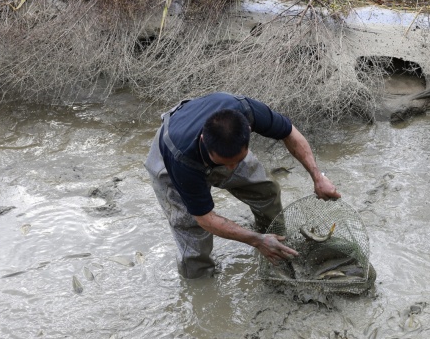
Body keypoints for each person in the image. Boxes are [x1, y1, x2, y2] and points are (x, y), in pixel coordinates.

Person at [145, 92, 340, 278]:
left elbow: (289, 133)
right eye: (224, 164)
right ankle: (199, 279)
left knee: (266, 190)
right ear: (204, 141)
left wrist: (318, 176)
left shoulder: (246, 110)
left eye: (237, 161)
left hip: (220, 147)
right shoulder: (181, 160)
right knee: (192, 234)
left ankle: (275, 242)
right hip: (170, 163)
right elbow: (205, 219)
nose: (231, 169)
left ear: (248, 130)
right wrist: (255, 240)